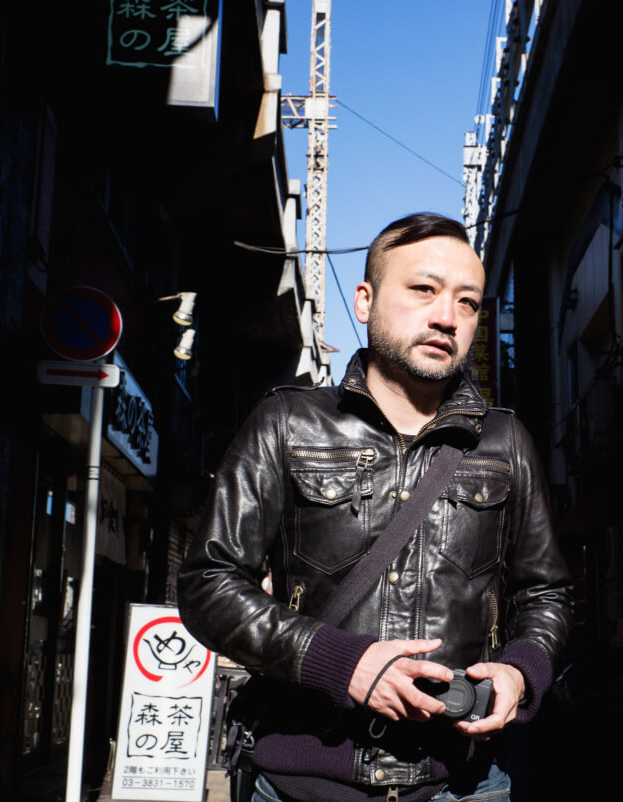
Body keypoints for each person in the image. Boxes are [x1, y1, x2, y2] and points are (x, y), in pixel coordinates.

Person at [178, 213, 573, 802]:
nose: (447, 317)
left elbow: (546, 593)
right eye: (423, 290)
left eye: (468, 303)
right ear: (364, 300)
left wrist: (522, 670)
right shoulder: (287, 422)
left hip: (460, 785)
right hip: (297, 785)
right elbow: (208, 583)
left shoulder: (505, 441)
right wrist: (338, 662)